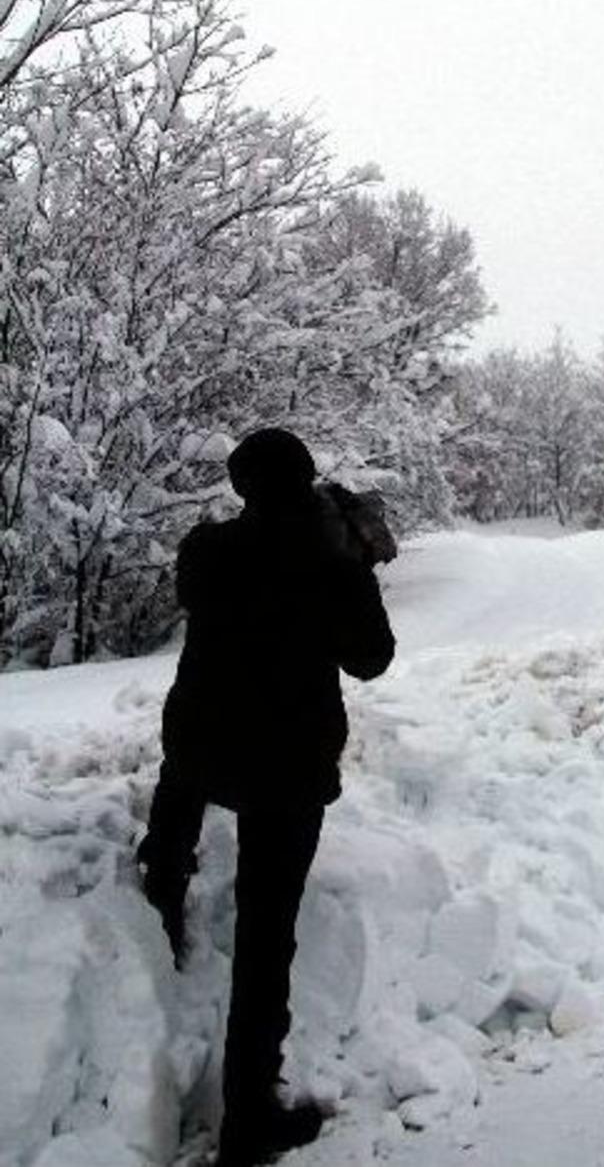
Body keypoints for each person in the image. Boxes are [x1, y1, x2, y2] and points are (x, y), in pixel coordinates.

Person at [138, 428, 396, 1167]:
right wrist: (354, 557)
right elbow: (371, 659)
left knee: (180, 779)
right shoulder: (330, 561)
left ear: (240, 485)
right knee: (263, 937)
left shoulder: (206, 549)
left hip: (204, 742)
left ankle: (161, 885)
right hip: (286, 764)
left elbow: (202, 589)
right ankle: (250, 1116)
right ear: (309, 480)